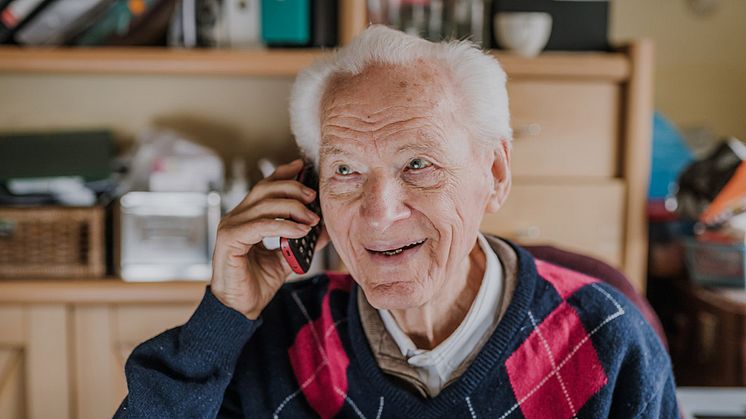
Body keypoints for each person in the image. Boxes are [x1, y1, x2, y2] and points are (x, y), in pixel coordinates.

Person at [114, 25, 679, 418]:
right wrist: (225, 314)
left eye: (418, 164)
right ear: (309, 193)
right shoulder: (283, 338)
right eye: (345, 170)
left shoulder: (609, 341)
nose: (379, 211)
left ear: (496, 174)